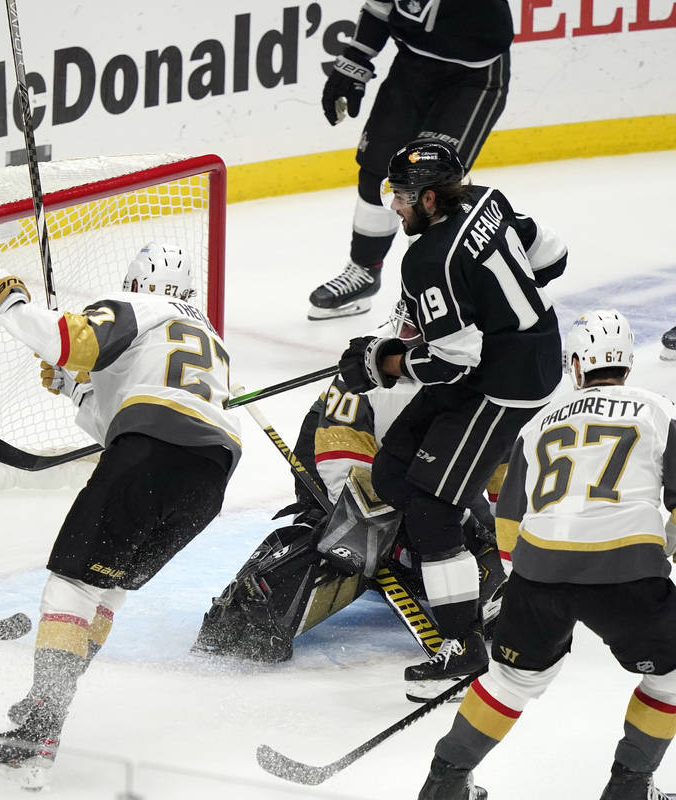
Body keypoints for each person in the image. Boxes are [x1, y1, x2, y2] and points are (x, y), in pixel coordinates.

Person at [0, 243, 241, 789]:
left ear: (138, 283)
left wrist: (9, 301)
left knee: (71, 585)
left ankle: (45, 719)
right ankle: (51, 700)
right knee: (105, 588)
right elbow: (120, 419)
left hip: (152, 453)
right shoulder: (209, 336)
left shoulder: (140, 306)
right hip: (209, 480)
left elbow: (68, 339)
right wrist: (79, 388)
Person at [337, 137, 567, 702]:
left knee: (433, 508)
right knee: (394, 474)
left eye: (404, 196)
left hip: (507, 382)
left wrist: (380, 362)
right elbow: (552, 256)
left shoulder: (427, 259)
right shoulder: (489, 198)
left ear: (434, 199)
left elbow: (447, 362)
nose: (394, 206)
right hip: (499, 359)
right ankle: (475, 563)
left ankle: (462, 642)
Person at [418, 310, 676, 800]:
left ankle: (444, 784)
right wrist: (661, 549)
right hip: (627, 572)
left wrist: (535, 587)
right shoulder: (658, 409)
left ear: (578, 365)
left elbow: (510, 521)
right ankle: (629, 788)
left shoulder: (537, 424)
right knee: (671, 679)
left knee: (509, 680)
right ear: (626, 362)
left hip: (539, 574)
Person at [194, 303, 504, 665]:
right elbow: (344, 473)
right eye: (405, 329)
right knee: (348, 540)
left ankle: (418, 563)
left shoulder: (481, 374)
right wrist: (387, 533)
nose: (408, 340)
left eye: (419, 332)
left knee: (478, 540)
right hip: (340, 465)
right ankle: (254, 604)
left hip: (424, 476)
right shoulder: (370, 371)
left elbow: (501, 477)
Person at [308, 0, 513, 320]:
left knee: (430, 186)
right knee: (376, 170)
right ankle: (364, 271)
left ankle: (423, 296)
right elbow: (380, 7)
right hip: (413, 67)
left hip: (473, 78)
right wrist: (355, 59)